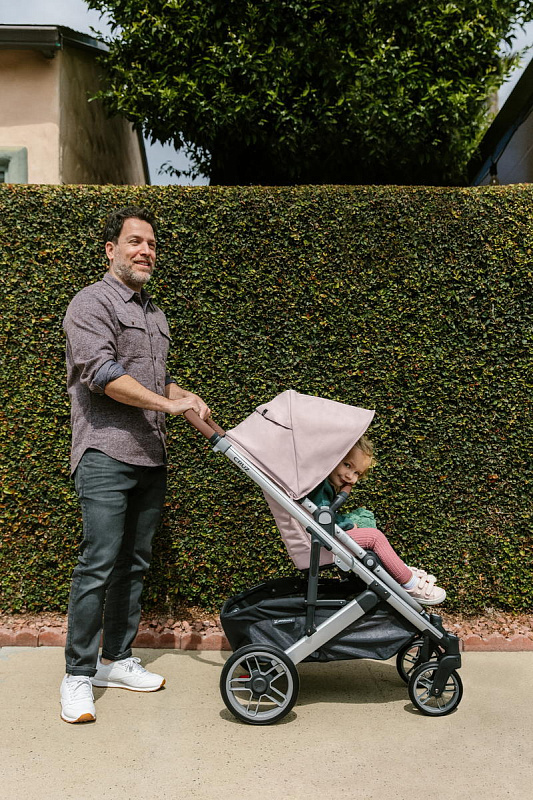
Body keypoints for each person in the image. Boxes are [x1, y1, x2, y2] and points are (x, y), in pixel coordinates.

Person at [60, 206, 211, 724]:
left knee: (135, 564)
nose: (145, 251)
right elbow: (102, 374)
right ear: (111, 250)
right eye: (134, 242)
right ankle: (78, 675)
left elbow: (152, 382)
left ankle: (116, 659)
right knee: (99, 563)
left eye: (151, 244)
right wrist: (166, 403)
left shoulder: (155, 315)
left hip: (150, 453)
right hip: (104, 451)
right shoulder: (91, 303)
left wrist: (181, 395)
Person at [308, 435, 446, 606]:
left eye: (357, 473)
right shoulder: (319, 486)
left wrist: (350, 523)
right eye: (347, 465)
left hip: (322, 535)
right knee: (374, 537)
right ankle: (409, 584)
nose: (350, 476)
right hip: (320, 540)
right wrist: (348, 525)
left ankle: (397, 569)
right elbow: (323, 518)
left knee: (364, 517)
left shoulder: (323, 484)